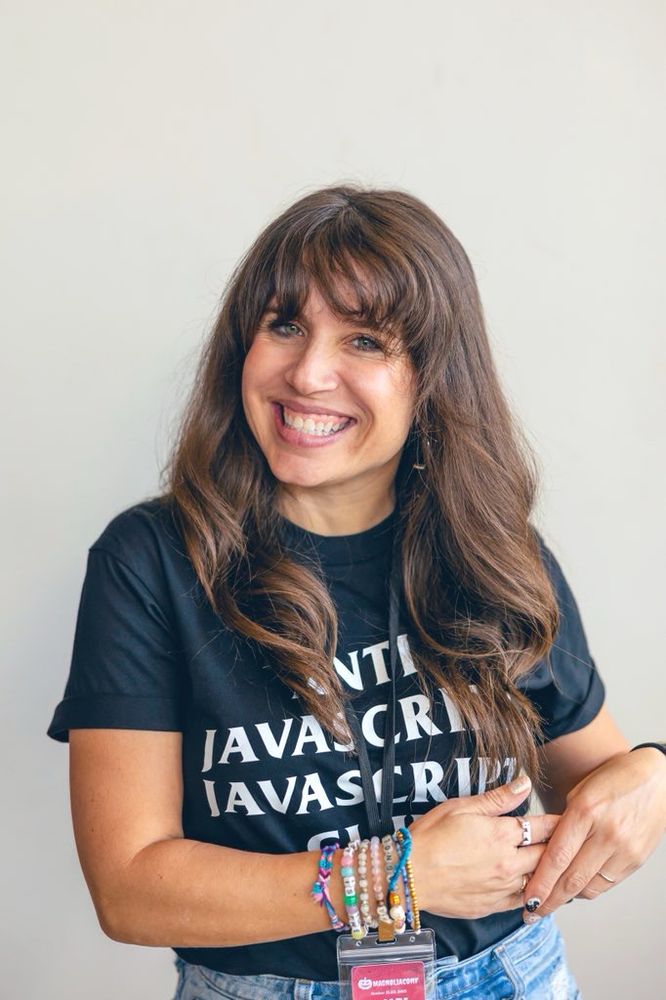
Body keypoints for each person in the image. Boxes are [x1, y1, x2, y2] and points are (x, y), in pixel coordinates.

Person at [47, 184, 666, 1000]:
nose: (308, 373)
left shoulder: (491, 550)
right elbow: (128, 889)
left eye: (366, 340)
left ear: (431, 377)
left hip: (509, 978)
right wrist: (389, 875)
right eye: (286, 325)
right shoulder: (153, 561)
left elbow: (599, 777)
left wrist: (650, 777)